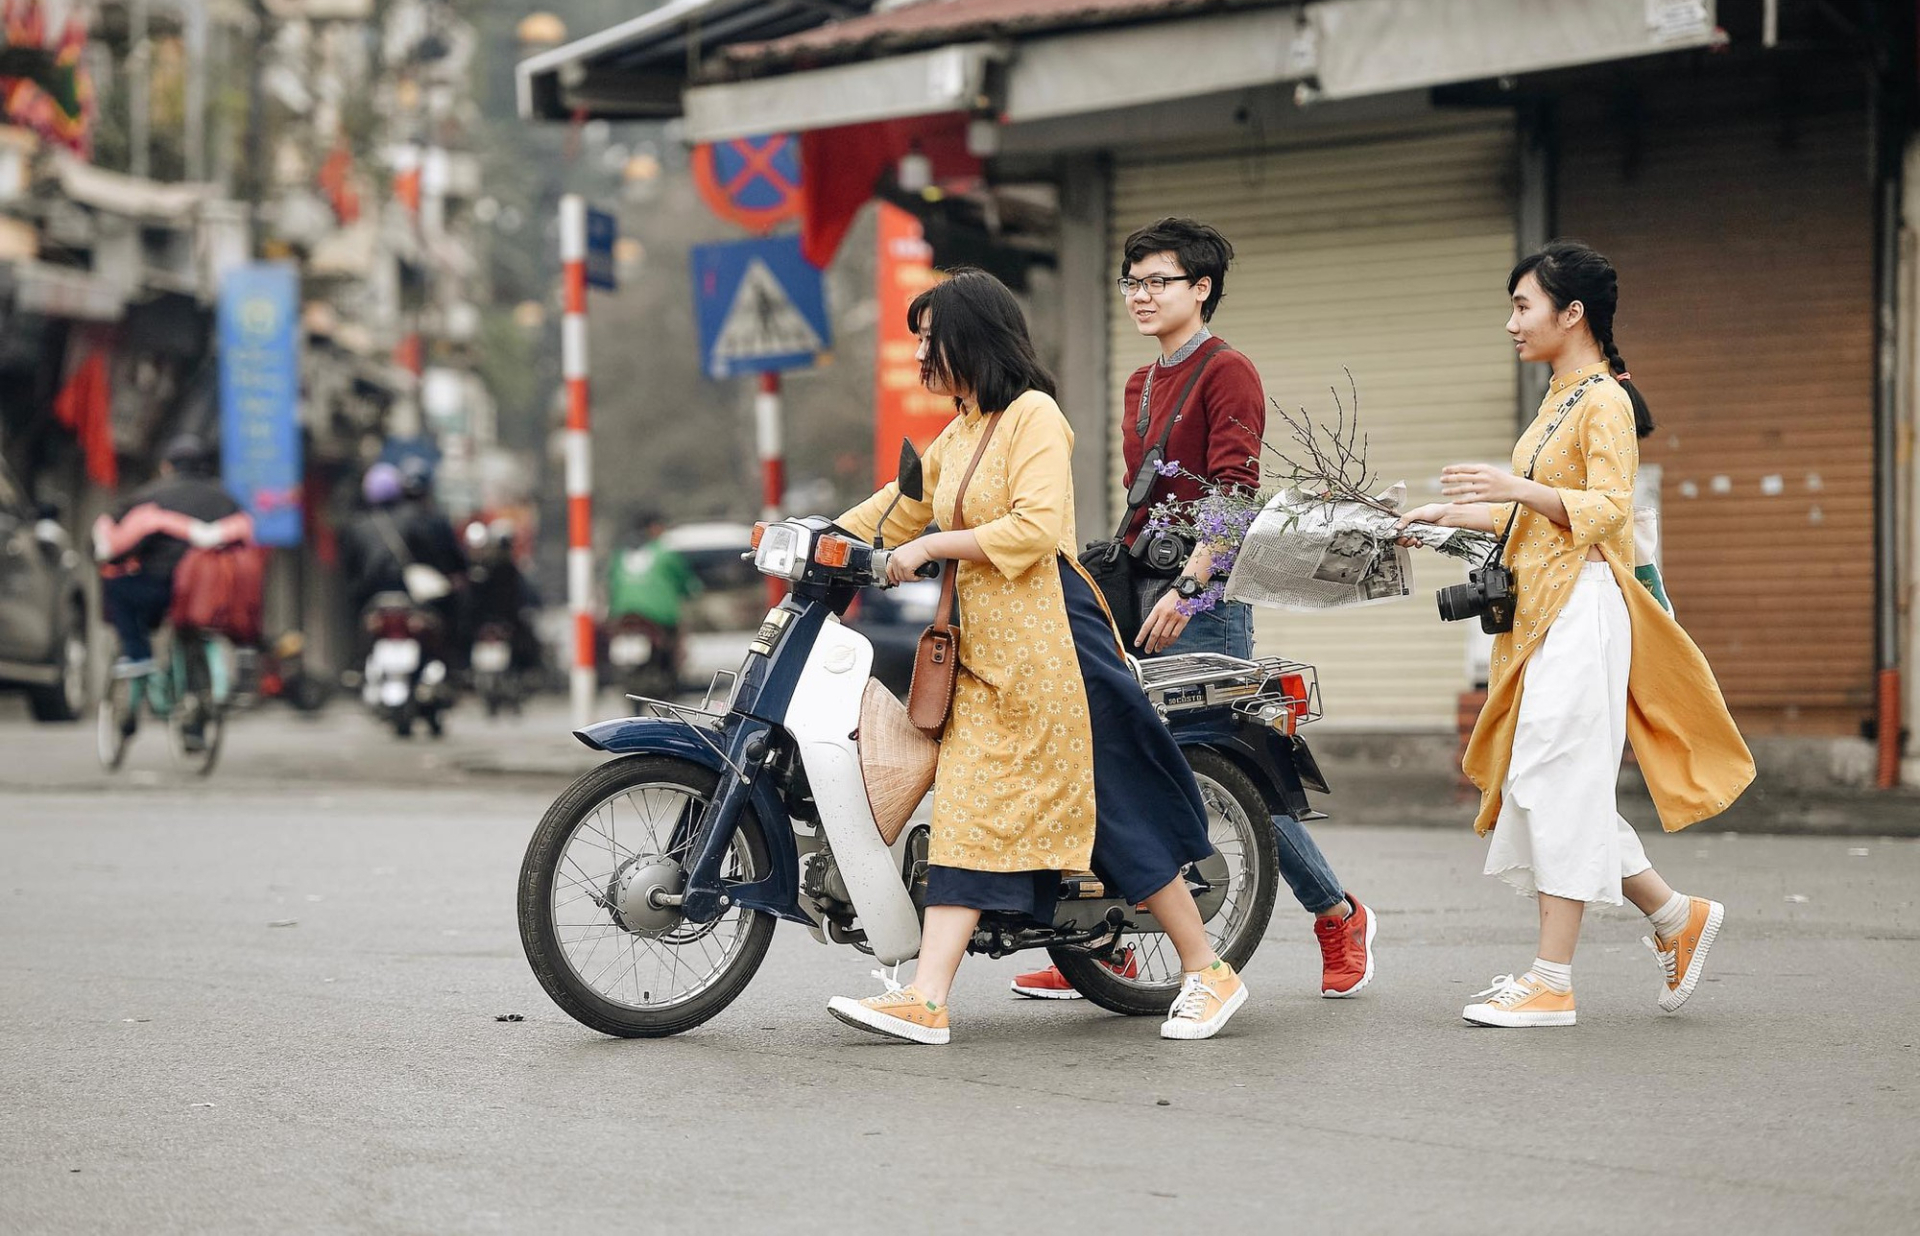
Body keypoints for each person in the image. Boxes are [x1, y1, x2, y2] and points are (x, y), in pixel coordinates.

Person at [829, 268, 1248, 1045]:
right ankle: (926, 997)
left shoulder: (1033, 416)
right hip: (988, 659)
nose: (920, 350)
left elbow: (1033, 526)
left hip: (1059, 643)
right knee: (968, 812)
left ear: (973, 337)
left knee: (1111, 807)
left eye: (930, 336)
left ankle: (1207, 969)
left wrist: (927, 549)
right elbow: (898, 507)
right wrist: (815, 535)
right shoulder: (958, 434)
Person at [1012, 216, 1379, 1003]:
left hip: (1205, 600)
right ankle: (1103, 938)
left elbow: (1234, 493)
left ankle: (1338, 913)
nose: (1141, 296)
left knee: (1223, 771)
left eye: (1158, 282)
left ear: (1201, 288)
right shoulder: (1140, 383)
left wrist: (1192, 589)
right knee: (1122, 760)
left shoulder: (1228, 371)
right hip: (1139, 592)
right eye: (1132, 282)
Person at [1396, 240, 1754, 1027]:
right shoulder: (1558, 397)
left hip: (1588, 605)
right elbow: (1531, 512)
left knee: (1556, 782)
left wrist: (1517, 484)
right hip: (1545, 610)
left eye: (1523, 305)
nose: (1512, 322)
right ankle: (1673, 917)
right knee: (1545, 782)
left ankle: (1553, 979)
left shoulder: (1605, 401)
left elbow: (1608, 509)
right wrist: (1442, 516)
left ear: (1572, 313)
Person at [93, 434, 253, 678]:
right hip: (215, 594)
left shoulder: (149, 497)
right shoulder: (228, 500)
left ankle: (138, 654)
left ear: (166, 466)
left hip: (162, 590)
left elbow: (119, 546)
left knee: (116, 586)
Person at [606, 509, 700, 632]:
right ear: (654, 528)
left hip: (621, 612)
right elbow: (683, 579)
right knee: (674, 637)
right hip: (658, 614)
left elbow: (611, 581)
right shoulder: (664, 553)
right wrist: (692, 589)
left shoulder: (620, 554)